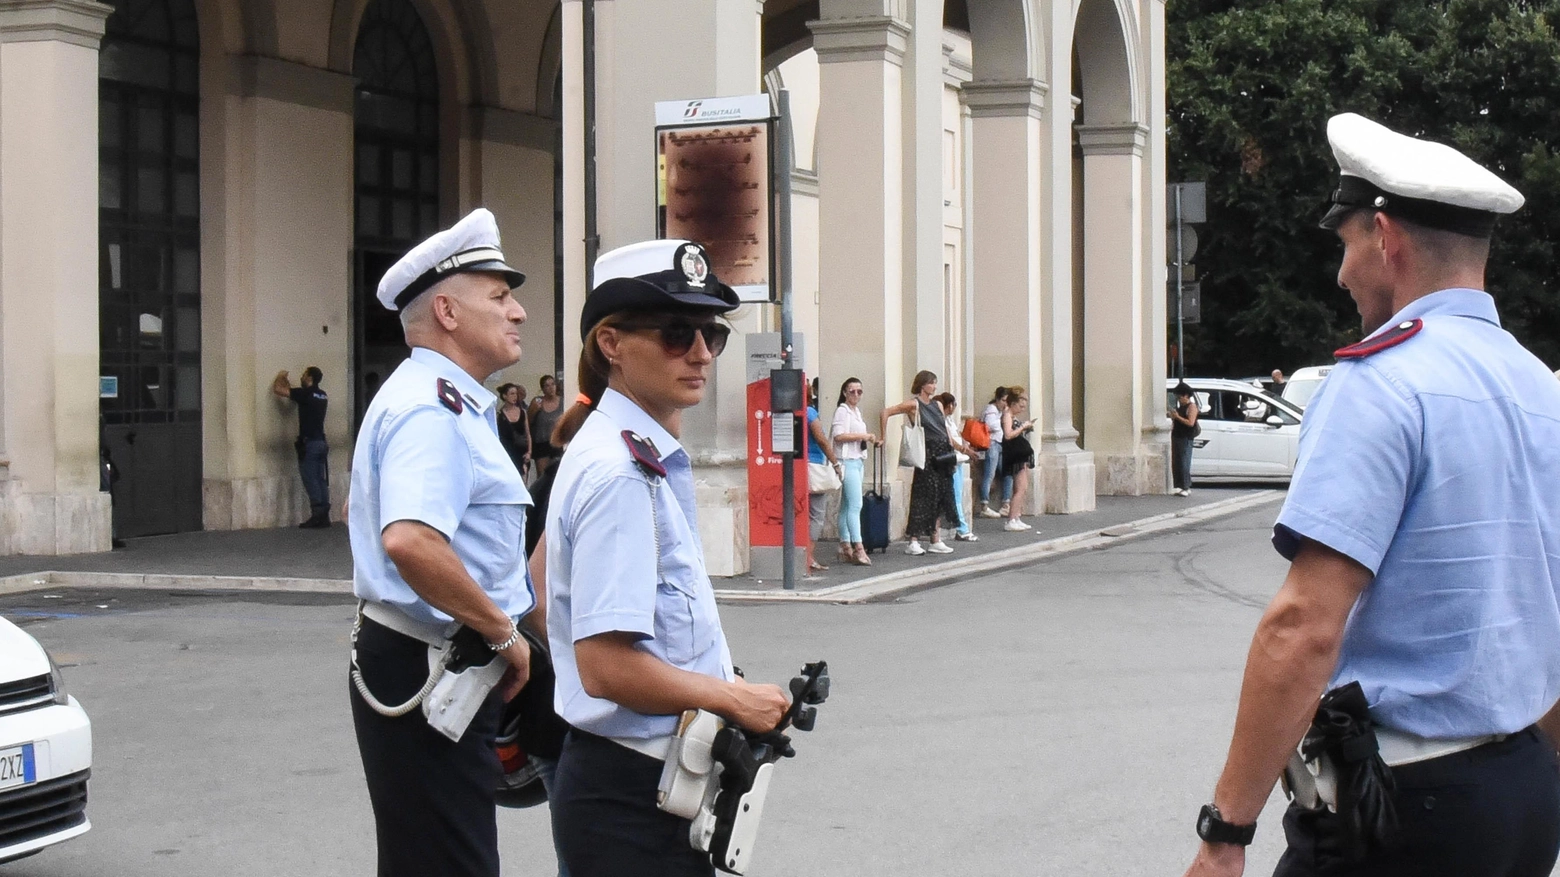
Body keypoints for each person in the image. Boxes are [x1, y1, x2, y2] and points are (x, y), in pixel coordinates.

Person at [1180, 113, 1560, 877]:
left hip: (1401, 810)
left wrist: (1226, 833)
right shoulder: (1538, 390)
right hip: (1523, 793)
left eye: (1346, 245)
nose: (1342, 272)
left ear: (1386, 239)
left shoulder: (1381, 383)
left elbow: (1303, 627)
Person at [545, 239, 790, 877]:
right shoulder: (621, 471)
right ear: (611, 344)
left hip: (641, 782)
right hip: (630, 794)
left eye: (712, 333)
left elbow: (543, 593)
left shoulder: (625, 452)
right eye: (677, 333)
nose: (703, 353)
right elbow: (602, 665)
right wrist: (730, 699)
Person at [345, 208, 539, 877]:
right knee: (448, 860)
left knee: (433, 855)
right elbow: (411, 541)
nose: (517, 311)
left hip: (435, 657)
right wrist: (503, 634)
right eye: (500, 295)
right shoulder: (433, 407)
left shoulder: (445, 398)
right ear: (449, 312)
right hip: (431, 662)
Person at [881, 371, 959, 556]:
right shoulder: (914, 404)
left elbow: (944, 427)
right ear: (922, 385)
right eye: (931, 383)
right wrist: (883, 436)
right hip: (928, 453)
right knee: (923, 496)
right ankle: (913, 539)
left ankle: (935, 538)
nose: (934, 386)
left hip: (942, 453)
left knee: (940, 496)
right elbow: (887, 411)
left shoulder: (937, 404)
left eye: (935, 383)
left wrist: (952, 446)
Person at [271, 365, 331, 528]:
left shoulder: (305, 394)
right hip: (321, 442)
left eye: (304, 375)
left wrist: (281, 376)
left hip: (310, 443)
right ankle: (324, 514)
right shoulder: (322, 395)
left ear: (310, 378)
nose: (302, 377)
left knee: (310, 478)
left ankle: (317, 515)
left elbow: (279, 389)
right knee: (320, 479)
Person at [830, 377, 880, 566]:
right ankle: (858, 547)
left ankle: (845, 545)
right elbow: (838, 436)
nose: (856, 395)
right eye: (852, 391)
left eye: (859, 391)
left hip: (856, 460)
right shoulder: (842, 411)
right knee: (855, 505)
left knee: (846, 505)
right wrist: (864, 436)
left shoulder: (855, 412)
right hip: (846, 461)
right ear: (844, 393)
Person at [805, 378, 843, 573]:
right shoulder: (810, 413)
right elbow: (821, 440)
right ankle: (808, 556)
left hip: (798, 466)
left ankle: (803, 555)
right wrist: (835, 463)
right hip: (814, 467)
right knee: (816, 515)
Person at [938, 392, 979, 542]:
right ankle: (962, 528)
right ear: (950, 405)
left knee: (958, 494)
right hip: (952, 459)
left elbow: (957, 436)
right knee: (955, 496)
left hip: (959, 459)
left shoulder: (950, 420)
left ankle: (959, 527)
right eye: (954, 405)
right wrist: (965, 449)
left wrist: (965, 445)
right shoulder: (942, 420)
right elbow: (950, 440)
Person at [998, 387, 1036, 532]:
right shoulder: (1007, 415)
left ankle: (1016, 516)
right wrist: (1023, 427)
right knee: (1019, 488)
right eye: (1020, 406)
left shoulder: (1013, 416)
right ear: (1013, 403)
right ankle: (1011, 519)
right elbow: (1008, 434)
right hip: (1014, 454)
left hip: (1020, 453)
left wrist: (1026, 427)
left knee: (1023, 487)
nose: (1022, 409)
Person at [978, 386, 1011, 518]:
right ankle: (984, 505)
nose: (1005, 404)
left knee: (1007, 473)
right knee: (989, 474)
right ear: (997, 399)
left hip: (999, 443)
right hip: (992, 443)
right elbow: (991, 425)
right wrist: (1003, 421)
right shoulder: (991, 409)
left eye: (1007, 401)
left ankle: (1006, 503)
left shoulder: (999, 411)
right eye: (1003, 400)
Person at [529, 374, 566, 474]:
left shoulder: (563, 401)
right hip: (541, 443)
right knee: (542, 475)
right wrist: (534, 410)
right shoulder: (537, 402)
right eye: (547, 385)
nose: (551, 388)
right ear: (543, 388)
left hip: (558, 442)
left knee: (558, 474)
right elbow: (528, 421)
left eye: (553, 384)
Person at [1169, 381, 1199, 497]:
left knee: (1184, 461)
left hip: (1185, 436)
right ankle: (1180, 485)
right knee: (1177, 461)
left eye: (1180, 397)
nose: (1179, 399)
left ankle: (1185, 486)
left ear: (1186, 395)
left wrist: (1177, 417)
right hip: (1177, 435)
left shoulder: (1192, 407)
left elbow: (1190, 422)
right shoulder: (1181, 407)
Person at [496, 382, 533, 477]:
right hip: (508, 452)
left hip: (522, 452)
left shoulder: (522, 412)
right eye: (512, 394)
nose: (515, 397)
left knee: (523, 478)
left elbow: (528, 433)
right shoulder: (499, 415)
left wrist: (529, 452)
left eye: (516, 394)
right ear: (505, 396)